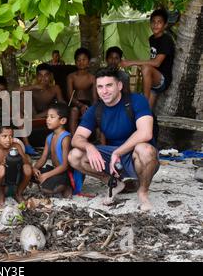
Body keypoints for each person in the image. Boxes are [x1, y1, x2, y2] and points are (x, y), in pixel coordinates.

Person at [68, 68, 159, 212]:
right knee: (74, 155)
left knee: (145, 149)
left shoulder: (137, 100)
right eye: (100, 87)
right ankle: (114, 183)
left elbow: (146, 133)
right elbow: (77, 138)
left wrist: (118, 152)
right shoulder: (95, 110)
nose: (104, 91)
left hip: (137, 156)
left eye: (109, 85)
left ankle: (142, 192)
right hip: (113, 159)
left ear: (119, 86)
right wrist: (89, 147)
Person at [121, 8, 175, 109]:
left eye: (159, 22)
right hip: (153, 80)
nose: (155, 25)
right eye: (153, 22)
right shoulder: (152, 39)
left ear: (165, 25)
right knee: (146, 113)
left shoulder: (166, 40)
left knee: (145, 67)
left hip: (163, 79)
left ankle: (144, 99)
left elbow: (157, 63)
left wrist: (131, 62)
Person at [33, 103, 73, 197]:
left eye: (52, 117)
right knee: (29, 174)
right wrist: (34, 168)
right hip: (54, 171)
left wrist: (46, 175)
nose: (48, 120)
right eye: (47, 117)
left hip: (64, 173)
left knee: (46, 189)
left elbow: (64, 166)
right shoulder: (49, 137)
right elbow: (43, 158)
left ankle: (67, 186)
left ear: (62, 120)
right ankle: (50, 184)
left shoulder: (65, 138)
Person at [0, 125, 33, 204]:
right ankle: (0, 194)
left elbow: (26, 162)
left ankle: (18, 193)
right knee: (0, 169)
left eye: (11, 136)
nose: (8, 140)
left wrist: (18, 159)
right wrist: (2, 164)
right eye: (4, 136)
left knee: (27, 168)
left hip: (16, 180)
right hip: (1, 182)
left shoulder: (16, 146)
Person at [67, 47, 98, 135]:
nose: (81, 62)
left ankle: (88, 139)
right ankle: (73, 139)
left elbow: (95, 98)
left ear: (88, 62)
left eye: (84, 59)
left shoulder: (92, 78)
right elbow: (70, 96)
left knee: (92, 112)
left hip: (88, 103)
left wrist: (91, 108)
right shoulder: (71, 77)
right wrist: (80, 105)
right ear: (75, 62)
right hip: (74, 102)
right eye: (79, 60)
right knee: (74, 111)